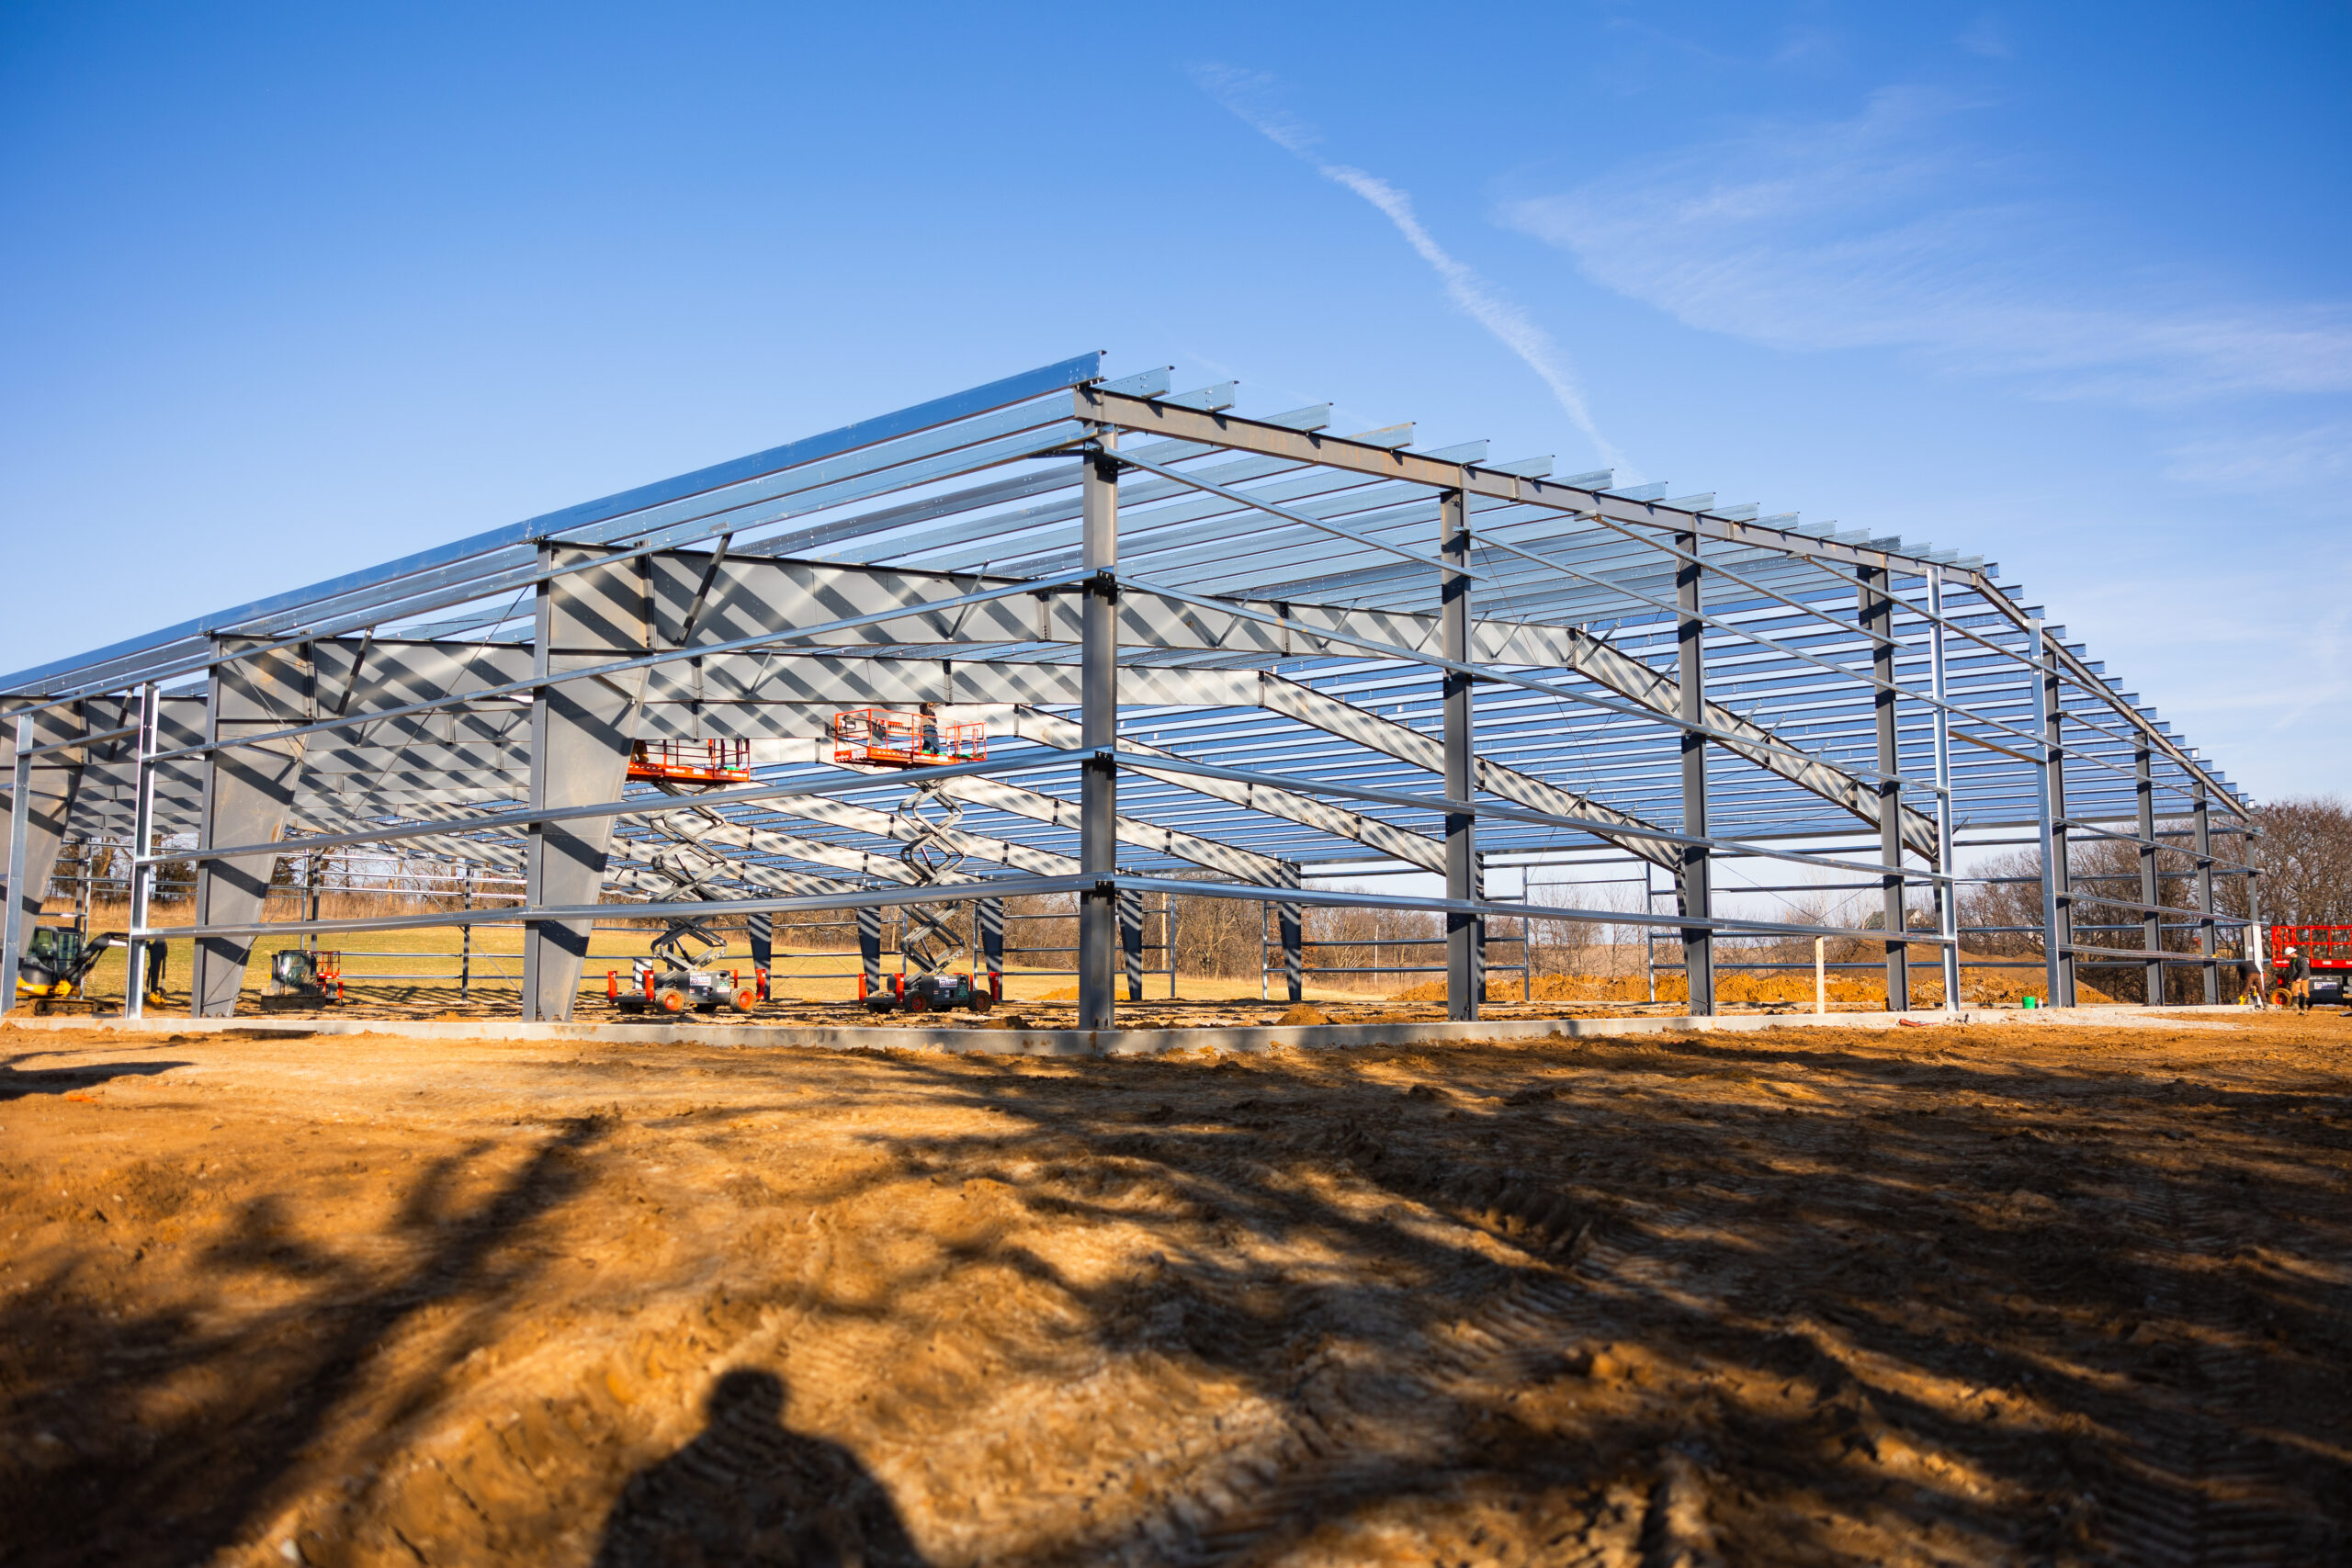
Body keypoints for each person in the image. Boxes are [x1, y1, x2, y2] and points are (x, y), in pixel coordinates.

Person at [2285, 945, 2312, 1011]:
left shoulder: (2301, 960)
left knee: (2305, 992)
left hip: (2303, 978)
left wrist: (2300, 977)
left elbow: (2304, 969)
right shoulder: (2292, 961)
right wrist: (2291, 977)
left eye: (2289, 955)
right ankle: (2295, 1005)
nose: (2289, 957)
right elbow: (2292, 970)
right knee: (2294, 991)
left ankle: (2305, 1006)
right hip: (2295, 978)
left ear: (2292, 953)